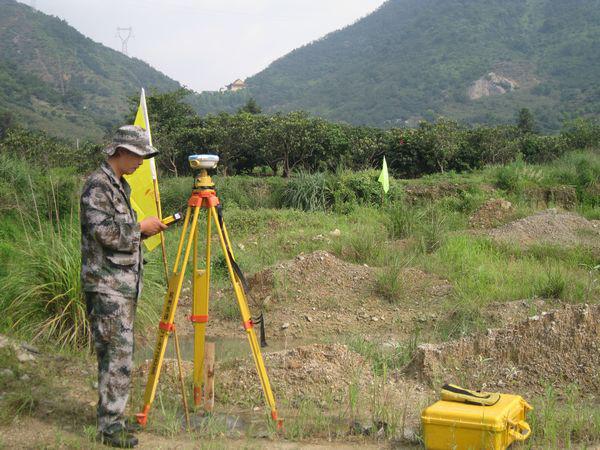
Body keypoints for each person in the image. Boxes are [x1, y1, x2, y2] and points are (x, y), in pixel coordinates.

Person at [80, 125, 167, 448]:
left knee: (121, 355)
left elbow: (121, 232)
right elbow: (104, 233)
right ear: (122, 152)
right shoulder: (98, 186)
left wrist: (143, 231)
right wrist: (138, 227)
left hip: (123, 284)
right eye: (139, 155)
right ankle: (109, 426)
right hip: (106, 285)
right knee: (115, 356)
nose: (142, 162)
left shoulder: (121, 186)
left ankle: (113, 417)